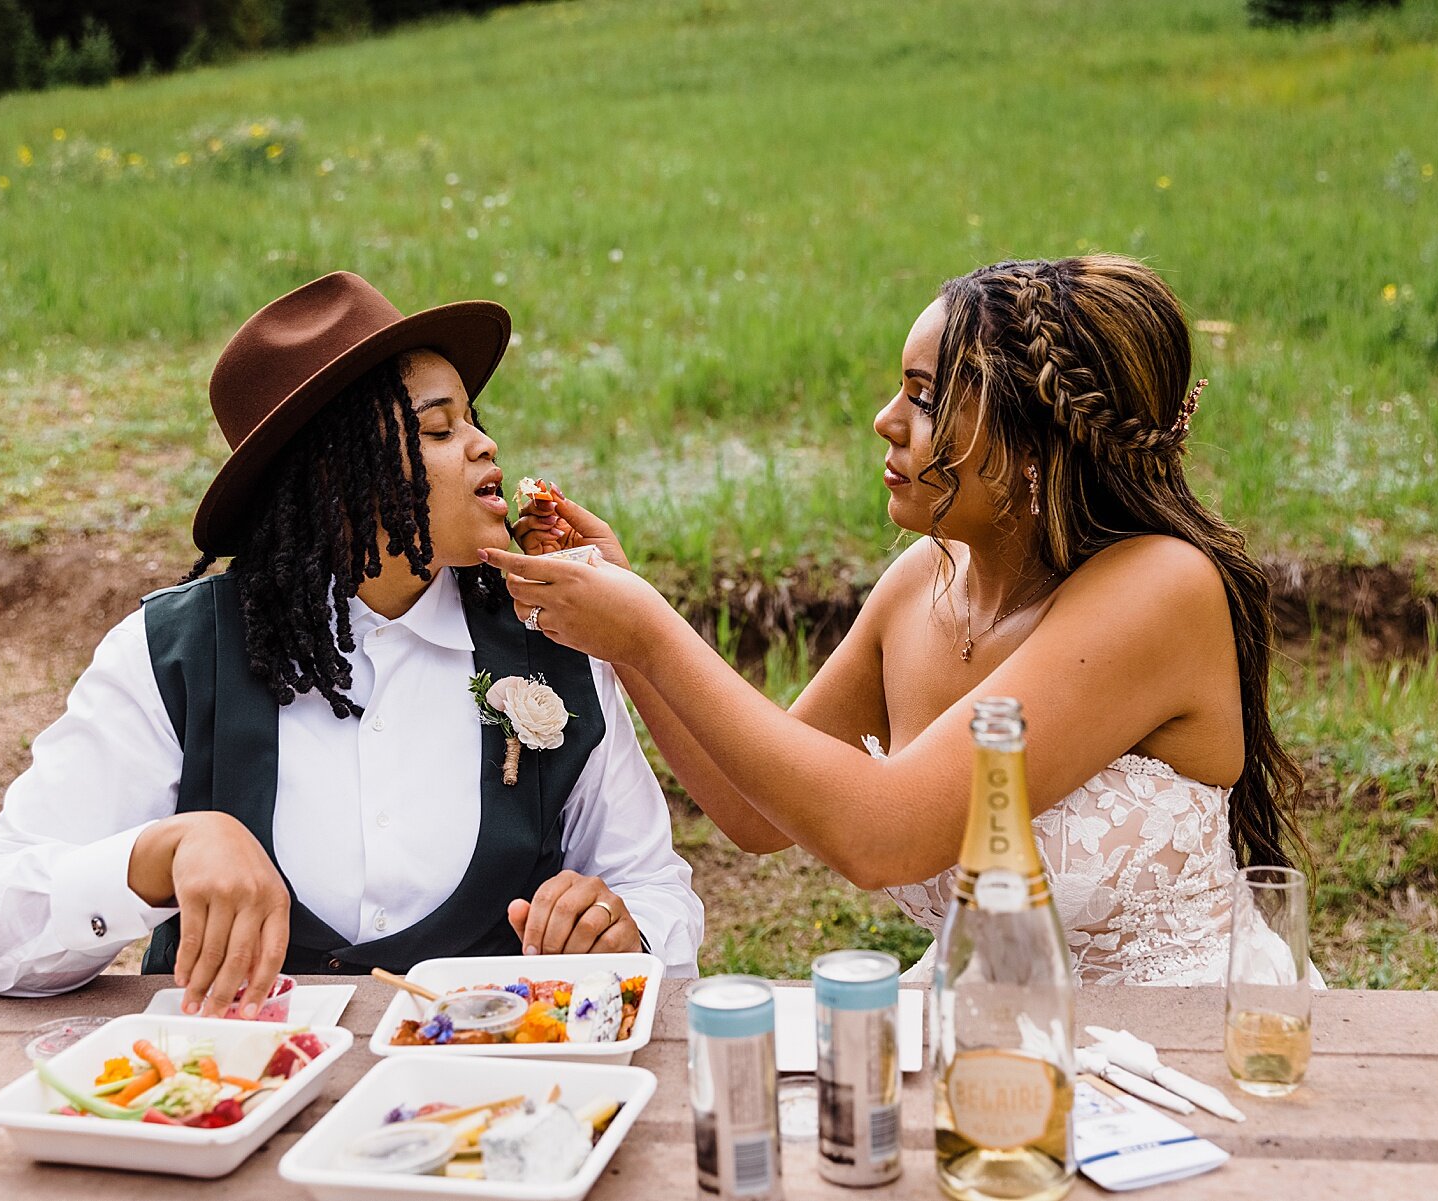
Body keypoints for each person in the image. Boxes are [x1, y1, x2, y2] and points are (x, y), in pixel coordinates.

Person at [493, 255, 1310, 985]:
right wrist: (625, 622)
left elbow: (884, 836)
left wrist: (648, 628)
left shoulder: (1159, 590)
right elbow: (754, 812)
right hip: (993, 1032)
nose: (886, 419)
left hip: (1188, 1038)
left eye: (925, 397)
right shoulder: (923, 582)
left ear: (1034, 445)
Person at [0, 271, 702, 1011]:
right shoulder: (172, 654)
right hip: (232, 1100)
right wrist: (156, 857)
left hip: (491, 1099)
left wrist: (623, 930)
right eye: (439, 428)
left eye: (473, 419)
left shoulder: (555, 633)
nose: (484, 443)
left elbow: (656, 890)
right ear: (335, 475)